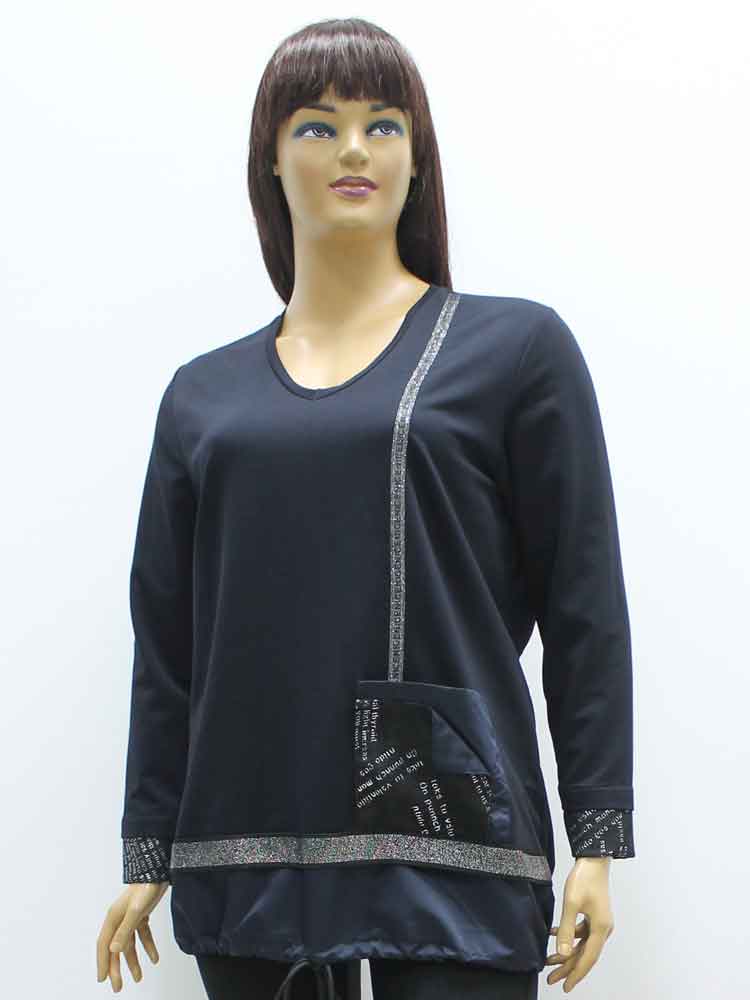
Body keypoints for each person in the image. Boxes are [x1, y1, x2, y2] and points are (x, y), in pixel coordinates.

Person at [96, 16, 635, 1000]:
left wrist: (597, 838)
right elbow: (167, 643)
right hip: (249, 827)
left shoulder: (514, 353)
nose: (354, 148)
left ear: (417, 160)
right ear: (270, 158)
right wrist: (148, 847)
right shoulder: (202, 398)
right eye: (317, 125)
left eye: (384, 124)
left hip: (450, 827)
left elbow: (584, 604)